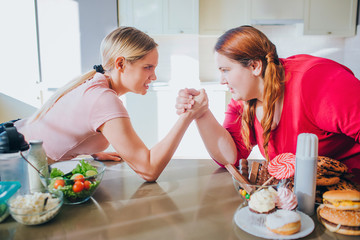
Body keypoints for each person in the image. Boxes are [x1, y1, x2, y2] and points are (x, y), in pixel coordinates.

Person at [15, 27, 207, 182]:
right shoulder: (103, 99)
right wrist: (188, 116)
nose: (154, 76)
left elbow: (70, 125)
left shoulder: (93, 83)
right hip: (11, 161)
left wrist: (91, 148)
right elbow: (148, 170)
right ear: (121, 64)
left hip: (13, 141)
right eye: (147, 67)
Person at [175, 25, 360, 183]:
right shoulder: (244, 100)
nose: (222, 80)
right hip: (301, 191)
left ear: (255, 66)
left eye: (226, 70)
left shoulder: (317, 81)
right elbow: (230, 157)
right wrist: (201, 113)